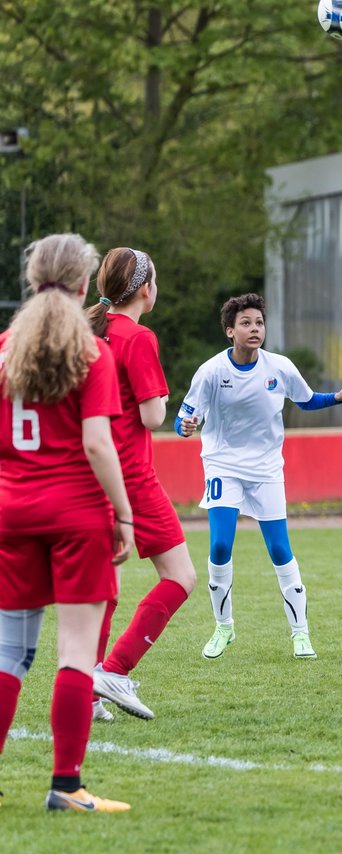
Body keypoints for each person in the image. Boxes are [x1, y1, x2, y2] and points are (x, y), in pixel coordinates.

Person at [0, 234, 133, 812]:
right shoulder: (90, 350)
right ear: (85, 287)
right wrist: (124, 516)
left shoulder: (4, 347)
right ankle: (66, 786)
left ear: (33, 282)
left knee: (7, 655)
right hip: (76, 515)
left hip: (10, 512)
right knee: (76, 652)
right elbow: (98, 443)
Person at [176, 294, 342, 661]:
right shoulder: (212, 371)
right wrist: (185, 426)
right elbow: (185, 418)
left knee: (280, 550)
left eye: (259, 323)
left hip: (266, 470)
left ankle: (301, 635)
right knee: (219, 547)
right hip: (222, 465)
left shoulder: (279, 367)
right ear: (230, 331)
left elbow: (307, 399)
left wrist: (339, 396)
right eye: (245, 323)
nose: (254, 329)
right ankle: (224, 627)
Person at [81, 248, 196, 723]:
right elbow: (152, 416)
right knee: (181, 577)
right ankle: (113, 671)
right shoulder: (138, 336)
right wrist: (166, 397)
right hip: (130, 474)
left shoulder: (87, 330)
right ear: (145, 289)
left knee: (102, 585)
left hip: (86, 472)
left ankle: (85, 687)